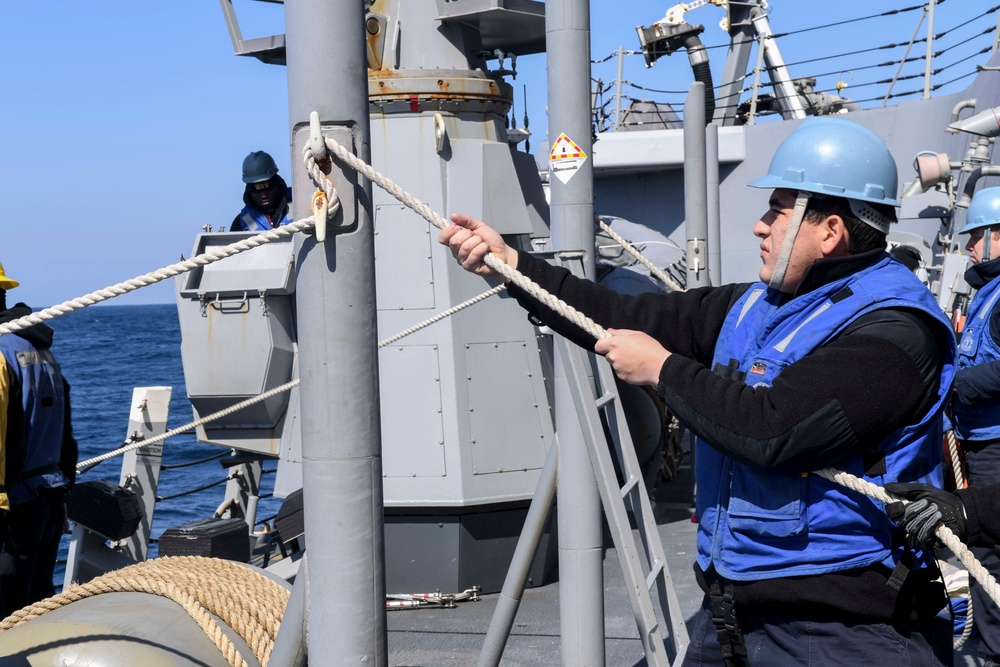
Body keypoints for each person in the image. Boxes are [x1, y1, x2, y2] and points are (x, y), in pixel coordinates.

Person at [440, 117, 957, 665]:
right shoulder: (752, 306)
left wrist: (663, 370)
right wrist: (514, 267)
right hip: (733, 615)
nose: (760, 226)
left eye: (777, 211)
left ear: (829, 231)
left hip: (840, 631)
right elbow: (619, 315)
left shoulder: (896, 331)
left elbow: (775, 430)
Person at [924, 185, 1000, 663]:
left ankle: (994, 649)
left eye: (977, 235)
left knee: (991, 545)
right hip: (977, 442)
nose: (969, 245)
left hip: (996, 446)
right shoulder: (987, 295)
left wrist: (953, 387)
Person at [0, 263, 77, 614]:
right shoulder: (39, 350)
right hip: (47, 499)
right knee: (35, 610)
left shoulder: (1, 353)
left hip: (12, 513)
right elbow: (65, 435)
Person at [230, 150, 293, 232]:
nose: (263, 195)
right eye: (257, 191)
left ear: (277, 185)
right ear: (249, 192)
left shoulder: (300, 204)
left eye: (268, 188)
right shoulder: (241, 223)